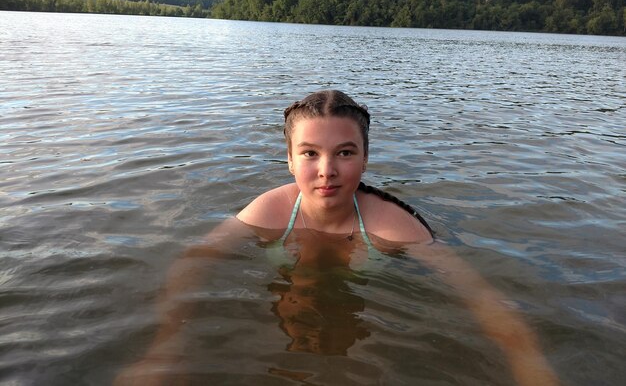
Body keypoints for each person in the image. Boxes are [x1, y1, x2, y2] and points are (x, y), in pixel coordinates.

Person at [115, 90, 559, 385]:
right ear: (289, 160)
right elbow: (196, 260)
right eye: (310, 153)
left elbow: (477, 294)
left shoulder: (393, 225)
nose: (327, 169)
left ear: (364, 159)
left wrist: (528, 362)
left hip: (357, 309)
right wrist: (167, 340)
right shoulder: (270, 210)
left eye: (344, 153)